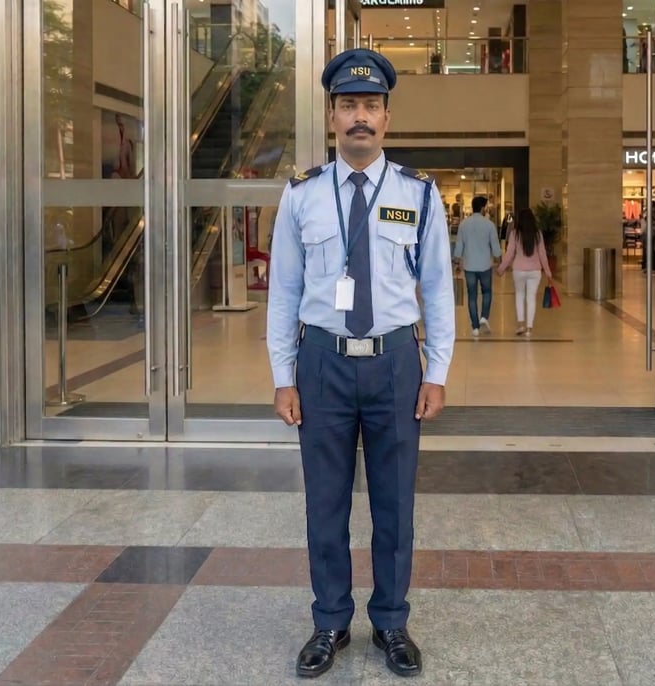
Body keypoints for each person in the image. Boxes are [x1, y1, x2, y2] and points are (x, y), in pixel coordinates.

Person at [266, 48, 455, 680]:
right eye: (348, 106)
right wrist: (282, 375)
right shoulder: (301, 197)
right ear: (332, 116)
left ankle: (393, 621)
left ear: (387, 117)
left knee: (394, 504)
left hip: (397, 363)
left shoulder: (419, 195)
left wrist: (437, 371)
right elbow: (286, 292)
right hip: (321, 364)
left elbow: (437, 289)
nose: (360, 118)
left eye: (370, 106)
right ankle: (329, 622)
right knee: (325, 502)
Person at [497, 208, 553, 336]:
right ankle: (529, 328)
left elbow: (510, 254)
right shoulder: (538, 234)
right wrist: (548, 273)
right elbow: (543, 255)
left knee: (520, 296)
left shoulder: (515, 234)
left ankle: (521, 325)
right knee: (531, 298)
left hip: (519, 270)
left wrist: (501, 269)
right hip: (535, 271)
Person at [453, 196, 501, 336]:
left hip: (469, 266)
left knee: (472, 295)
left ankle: (475, 327)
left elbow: (459, 245)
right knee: (487, 292)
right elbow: (495, 245)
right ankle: (484, 317)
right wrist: (498, 259)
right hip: (485, 265)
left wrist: (457, 261)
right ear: (482, 208)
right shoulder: (489, 225)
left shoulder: (464, 224)